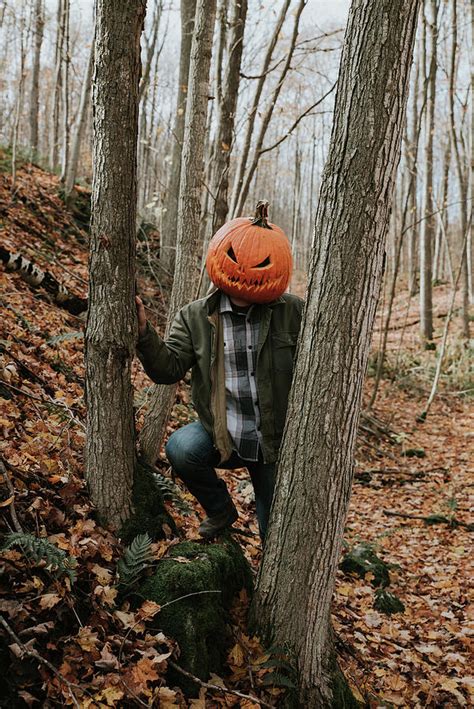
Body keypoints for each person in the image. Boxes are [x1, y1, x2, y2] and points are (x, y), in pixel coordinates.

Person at [136, 202, 303, 541]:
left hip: (275, 442)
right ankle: (221, 510)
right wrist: (143, 335)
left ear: (278, 267)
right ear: (219, 255)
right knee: (182, 447)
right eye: (235, 256)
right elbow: (168, 370)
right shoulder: (194, 317)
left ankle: (270, 587)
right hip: (224, 436)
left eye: (262, 263)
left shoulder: (294, 312)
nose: (246, 269)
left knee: (275, 532)